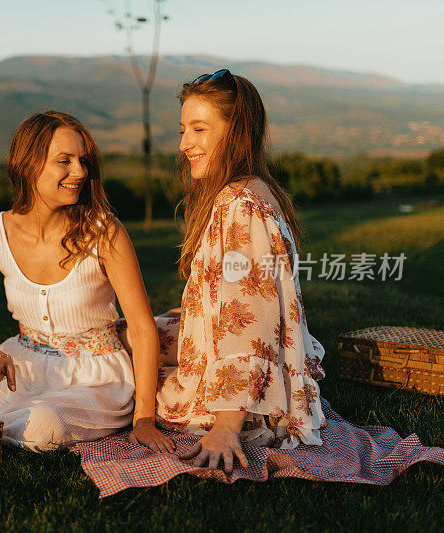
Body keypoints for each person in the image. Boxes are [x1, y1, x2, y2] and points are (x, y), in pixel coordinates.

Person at [0, 111, 175, 453]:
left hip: (95, 378)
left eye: (82, 160)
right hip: (21, 368)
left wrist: (144, 419)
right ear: (29, 165)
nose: (80, 171)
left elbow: (141, 326)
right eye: (65, 161)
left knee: (44, 425)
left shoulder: (105, 232)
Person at [153, 69, 326, 472]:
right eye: (184, 130)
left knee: (123, 365)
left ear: (237, 132)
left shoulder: (239, 205)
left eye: (199, 129)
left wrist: (227, 425)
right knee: (133, 331)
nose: (185, 144)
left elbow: (248, 319)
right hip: (259, 384)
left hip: (249, 407)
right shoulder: (253, 191)